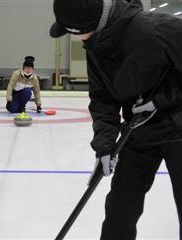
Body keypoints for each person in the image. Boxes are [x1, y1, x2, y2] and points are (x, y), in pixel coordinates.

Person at [50, 0, 182, 239]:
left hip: (180, 128)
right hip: (139, 131)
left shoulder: (154, 30)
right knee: (120, 208)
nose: (77, 40)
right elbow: (102, 99)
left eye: (74, 33)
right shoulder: (95, 47)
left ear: (90, 24)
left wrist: (161, 100)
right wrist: (104, 146)